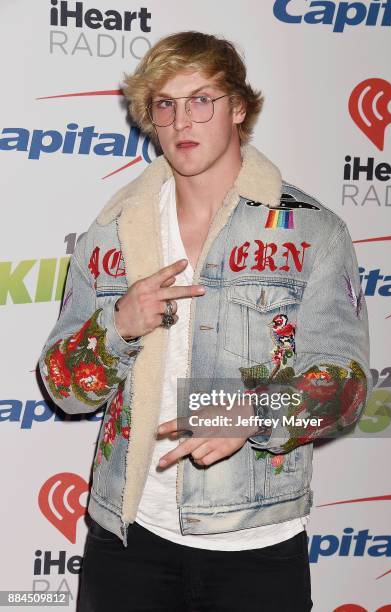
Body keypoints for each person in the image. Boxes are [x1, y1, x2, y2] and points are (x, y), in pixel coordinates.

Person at [39, 31, 371, 612]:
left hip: (257, 540)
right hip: (127, 536)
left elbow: (345, 386)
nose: (182, 121)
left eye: (201, 100)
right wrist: (118, 323)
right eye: (165, 104)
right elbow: (64, 389)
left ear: (239, 107)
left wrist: (246, 413)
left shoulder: (311, 230)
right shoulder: (110, 233)